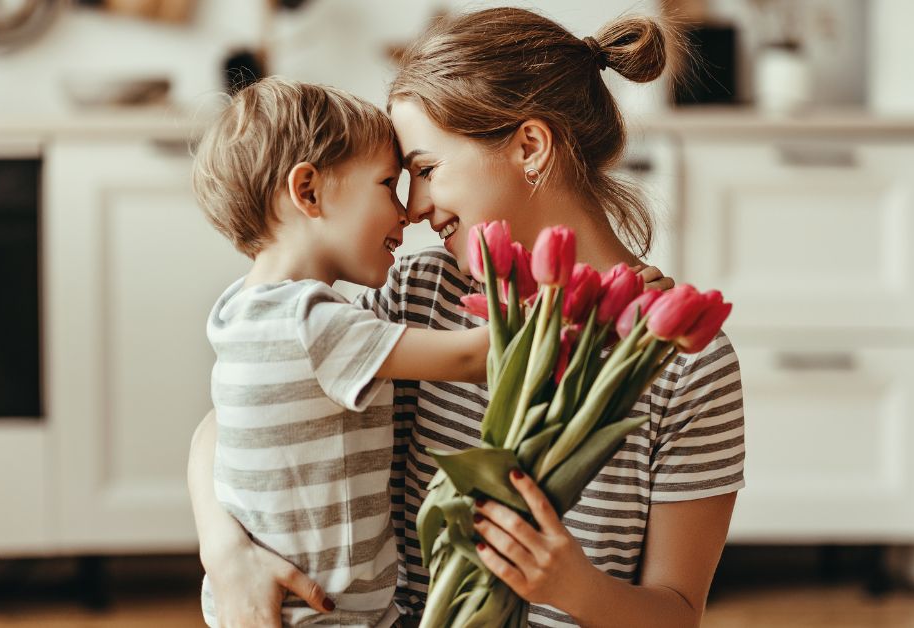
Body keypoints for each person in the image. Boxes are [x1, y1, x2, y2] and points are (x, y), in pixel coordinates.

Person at [189, 8, 745, 627]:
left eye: (425, 171)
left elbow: (676, 615)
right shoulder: (421, 294)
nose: (415, 209)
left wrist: (570, 585)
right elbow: (239, 411)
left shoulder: (684, 363)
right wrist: (225, 551)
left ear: (529, 147)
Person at [191, 77, 490, 627]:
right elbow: (472, 359)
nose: (406, 213)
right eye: (387, 184)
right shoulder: (314, 324)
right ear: (308, 192)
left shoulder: (239, 310)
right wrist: (586, 299)